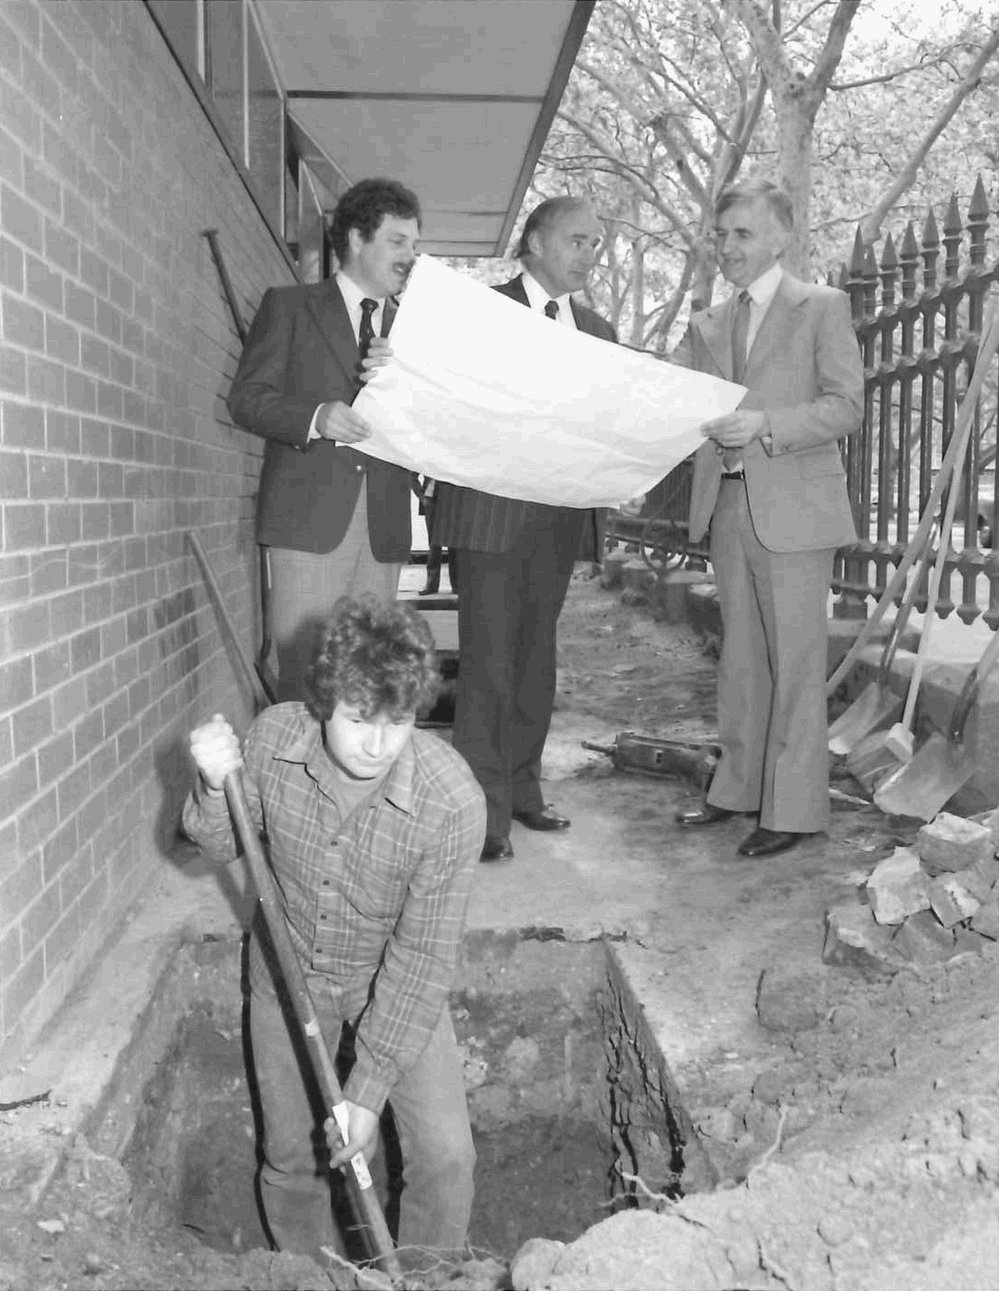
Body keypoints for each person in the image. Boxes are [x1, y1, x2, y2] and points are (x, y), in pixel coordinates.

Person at [181, 596, 486, 1269]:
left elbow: (422, 958)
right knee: (294, 1160)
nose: (377, 744)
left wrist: (366, 1091)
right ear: (324, 701)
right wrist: (211, 782)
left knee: (444, 1155)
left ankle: (430, 1279)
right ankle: (308, 1277)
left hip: (390, 978)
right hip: (285, 973)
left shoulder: (451, 802)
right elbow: (214, 843)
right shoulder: (272, 740)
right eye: (358, 719)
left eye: (398, 722)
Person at [671, 178, 863, 857]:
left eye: (742, 234)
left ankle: (793, 808)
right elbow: (672, 402)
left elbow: (846, 406)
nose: (727, 248)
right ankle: (736, 791)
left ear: (781, 237)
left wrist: (765, 425)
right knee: (741, 663)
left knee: (795, 661)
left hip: (795, 512)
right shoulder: (706, 323)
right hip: (726, 509)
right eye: (720, 235)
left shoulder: (821, 308)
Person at [428, 197, 618, 863]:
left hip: (558, 518)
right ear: (534, 241)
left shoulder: (597, 329)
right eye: (577, 240)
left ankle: (522, 789)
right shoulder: (477, 314)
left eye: (595, 244)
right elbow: (446, 401)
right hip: (488, 513)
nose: (588, 254)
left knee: (537, 660)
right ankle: (480, 813)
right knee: (487, 662)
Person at [228, 178, 421, 701]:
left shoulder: (413, 332)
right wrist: (316, 417)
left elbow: (424, 426)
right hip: (308, 523)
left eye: (414, 243)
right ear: (357, 239)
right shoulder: (289, 306)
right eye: (398, 241)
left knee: (369, 675)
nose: (411, 255)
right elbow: (246, 400)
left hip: (383, 529)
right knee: (306, 673)